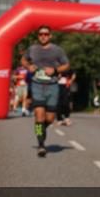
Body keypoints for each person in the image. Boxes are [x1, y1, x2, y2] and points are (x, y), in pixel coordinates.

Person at [21, 26, 70, 157]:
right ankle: (41, 144)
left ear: (50, 36)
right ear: (38, 36)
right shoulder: (32, 49)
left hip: (52, 86)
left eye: (46, 34)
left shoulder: (57, 50)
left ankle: (40, 128)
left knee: (50, 118)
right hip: (37, 85)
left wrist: (55, 70)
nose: (43, 36)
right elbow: (24, 60)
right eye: (40, 34)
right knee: (39, 114)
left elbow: (66, 65)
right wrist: (28, 66)